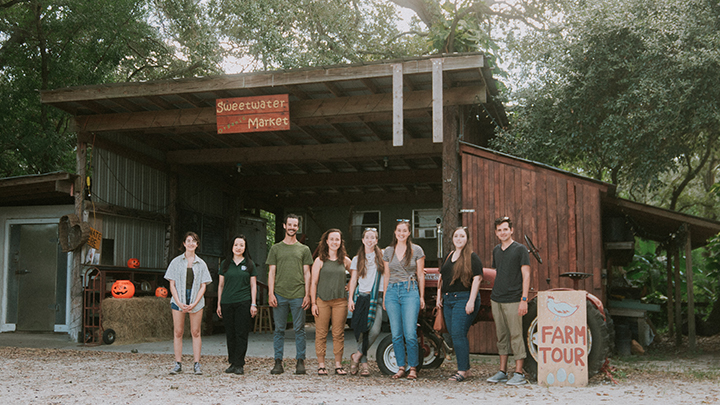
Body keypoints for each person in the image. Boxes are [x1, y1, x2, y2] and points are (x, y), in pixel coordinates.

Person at [486, 216, 531, 386]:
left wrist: (524, 299)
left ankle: (519, 373)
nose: (502, 232)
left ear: (511, 230)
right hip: (497, 298)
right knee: (501, 335)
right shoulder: (496, 250)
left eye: (505, 229)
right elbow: (498, 273)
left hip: (514, 299)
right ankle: (502, 371)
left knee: (516, 335)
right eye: (499, 230)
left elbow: (526, 275)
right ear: (496, 233)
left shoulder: (520, 250)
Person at [267, 214, 313, 375]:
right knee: (279, 329)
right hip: (279, 294)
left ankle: (300, 361)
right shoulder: (276, 248)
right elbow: (271, 272)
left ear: (298, 227)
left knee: (299, 329)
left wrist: (307, 295)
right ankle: (278, 362)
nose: (292, 227)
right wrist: (271, 293)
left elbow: (307, 273)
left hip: (298, 294)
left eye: (295, 225)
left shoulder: (304, 249)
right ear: (284, 226)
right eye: (290, 224)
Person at [436, 227, 483, 382]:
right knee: (455, 333)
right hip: (448, 299)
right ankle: (466, 369)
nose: (459, 238)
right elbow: (442, 277)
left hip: (464, 298)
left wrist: (471, 300)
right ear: (452, 238)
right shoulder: (450, 255)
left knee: (457, 333)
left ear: (467, 238)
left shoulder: (472, 257)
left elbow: (477, 279)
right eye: (456, 235)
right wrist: (439, 296)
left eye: (462, 236)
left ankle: (462, 370)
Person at [165, 231, 213, 375]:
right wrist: (179, 302)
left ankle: (197, 363)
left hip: (195, 299)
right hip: (179, 297)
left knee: (195, 332)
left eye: (194, 241)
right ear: (184, 244)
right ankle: (178, 363)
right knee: (178, 332)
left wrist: (195, 302)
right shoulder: (176, 262)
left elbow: (203, 286)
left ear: (197, 245)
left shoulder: (201, 263)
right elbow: (171, 284)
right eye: (188, 240)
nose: (191, 243)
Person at [382, 219, 425, 380]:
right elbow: (386, 274)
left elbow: (420, 274)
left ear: (408, 233)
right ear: (395, 232)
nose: (401, 233)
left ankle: (413, 367)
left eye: (404, 231)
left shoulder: (416, 250)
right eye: (398, 230)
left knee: (410, 332)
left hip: (410, 291)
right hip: (392, 291)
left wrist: (421, 296)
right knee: (396, 333)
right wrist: (385, 295)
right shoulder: (388, 251)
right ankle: (401, 367)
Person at [310, 229, 352, 375]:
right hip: (322, 301)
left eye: (337, 239)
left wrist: (351, 284)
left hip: (340, 302)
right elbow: (313, 283)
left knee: (338, 333)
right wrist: (313, 303)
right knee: (321, 333)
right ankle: (321, 365)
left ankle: (338, 365)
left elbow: (357, 273)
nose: (335, 242)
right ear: (326, 241)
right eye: (332, 239)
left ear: (341, 242)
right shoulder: (320, 260)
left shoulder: (345, 260)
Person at [217, 235, 258, 375]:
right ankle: (232, 362)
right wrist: (219, 303)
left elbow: (253, 286)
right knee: (230, 333)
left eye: (241, 245)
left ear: (245, 247)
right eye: (236, 245)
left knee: (241, 333)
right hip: (227, 302)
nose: (238, 247)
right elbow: (221, 285)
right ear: (232, 246)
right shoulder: (225, 264)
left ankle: (239, 363)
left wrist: (253, 303)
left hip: (243, 302)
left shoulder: (249, 264)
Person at [347, 227, 384, 377]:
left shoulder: (382, 256)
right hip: (361, 297)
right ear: (363, 240)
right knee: (362, 332)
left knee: (374, 331)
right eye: (367, 237)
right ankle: (364, 364)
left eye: (373, 237)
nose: (370, 240)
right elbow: (354, 280)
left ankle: (355, 356)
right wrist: (350, 298)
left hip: (377, 298)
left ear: (376, 240)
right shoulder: (357, 259)